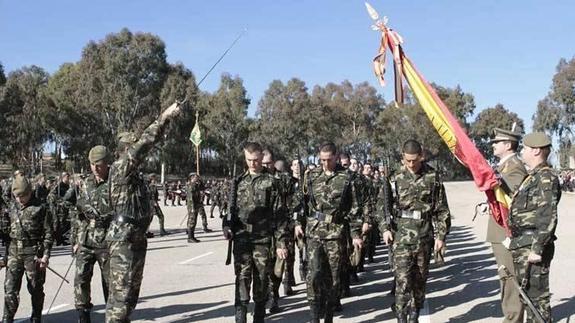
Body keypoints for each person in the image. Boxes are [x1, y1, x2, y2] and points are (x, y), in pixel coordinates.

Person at [105, 101, 181, 323]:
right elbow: (148, 141)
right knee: (120, 299)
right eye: (131, 146)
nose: (136, 150)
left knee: (129, 297)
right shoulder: (121, 167)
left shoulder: (134, 174)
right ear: (124, 150)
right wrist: (165, 117)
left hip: (136, 237)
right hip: (123, 239)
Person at [377, 139, 450, 323]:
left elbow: (442, 210)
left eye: (415, 160)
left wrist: (441, 236)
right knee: (402, 282)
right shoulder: (393, 178)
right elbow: (381, 208)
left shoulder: (432, 177)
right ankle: (401, 318)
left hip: (424, 236)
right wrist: (385, 229)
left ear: (421, 156)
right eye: (407, 160)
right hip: (401, 237)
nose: (411, 164)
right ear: (402, 157)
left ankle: (415, 313)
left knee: (420, 282)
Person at [295, 142, 366, 323]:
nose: (325, 163)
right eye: (322, 160)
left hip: (336, 233)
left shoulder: (347, 178)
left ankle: (328, 315)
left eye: (329, 159)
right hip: (314, 232)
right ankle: (313, 315)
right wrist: (297, 224)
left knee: (334, 279)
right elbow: (301, 203)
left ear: (336, 157)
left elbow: (355, 208)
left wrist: (356, 233)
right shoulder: (310, 176)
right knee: (314, 274)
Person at [222, 142, 288, 323]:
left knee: (261, 281)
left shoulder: (272, 183)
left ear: (262, 158)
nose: (253, 164)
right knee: (242, 279)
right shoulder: (238, 181)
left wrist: (281, 243)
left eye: (257, 160)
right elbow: (230, 209)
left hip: (263, 239)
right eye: (249, 160)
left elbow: (280, 215)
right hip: (242, 238)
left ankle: (259, 317)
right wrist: (226, 226)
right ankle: (240, 318)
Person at [508, 132, 560, 323]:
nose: (522, 151)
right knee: (528, 297)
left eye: (524, 148)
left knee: (537, 301)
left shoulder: (546, 177)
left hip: (532, 246)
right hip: (523, 243)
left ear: (536, 150)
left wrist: (537, 249)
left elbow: (547, 215)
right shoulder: (532, 177)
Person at [488, 127, 528, 323]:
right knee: (505, 276)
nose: (493, 145)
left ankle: (513, 318)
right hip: (500, 231)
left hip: (507, 232)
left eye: (497, 142)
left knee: (509, 277)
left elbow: (513, 198)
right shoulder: (505, 166)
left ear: (508, 145)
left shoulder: (514, 167)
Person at [71, 145, 114, 322]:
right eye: (92, 164)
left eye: (99, 164)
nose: (95, 168)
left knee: (110, 284)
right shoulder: (86, 184)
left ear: (107, 163)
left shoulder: (115, 182)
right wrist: (76, 238)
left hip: (108, 240)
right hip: (87, 240)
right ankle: (83, 317)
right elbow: (77, 213)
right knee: (80, 279)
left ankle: (111, 316)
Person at [3, 175, 54, 323]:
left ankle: (36, 316)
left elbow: (48, 233)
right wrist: (4, 257)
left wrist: (46, 255)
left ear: (29, 192)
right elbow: (6, 233)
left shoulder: (40, 208)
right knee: (10, 289)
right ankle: (7, 318)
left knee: (35, 288)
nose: (19, 199)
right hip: (14, 252)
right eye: (17, 196)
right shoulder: (12, 207)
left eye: (22, 195)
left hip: (33, 253)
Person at [186, 173, 211, 243]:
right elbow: (190, 198)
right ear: (192, 178)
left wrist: (200, 180)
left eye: (197, 177)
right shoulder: (190, 186)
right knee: (192, 221)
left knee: (194, 221)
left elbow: (203, 188)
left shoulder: (195, 185)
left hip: (196, 205)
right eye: (195, 177)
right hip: (192, 206)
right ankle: (190, 237)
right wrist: (192, 208)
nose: (196, 178)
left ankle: (192, 236)